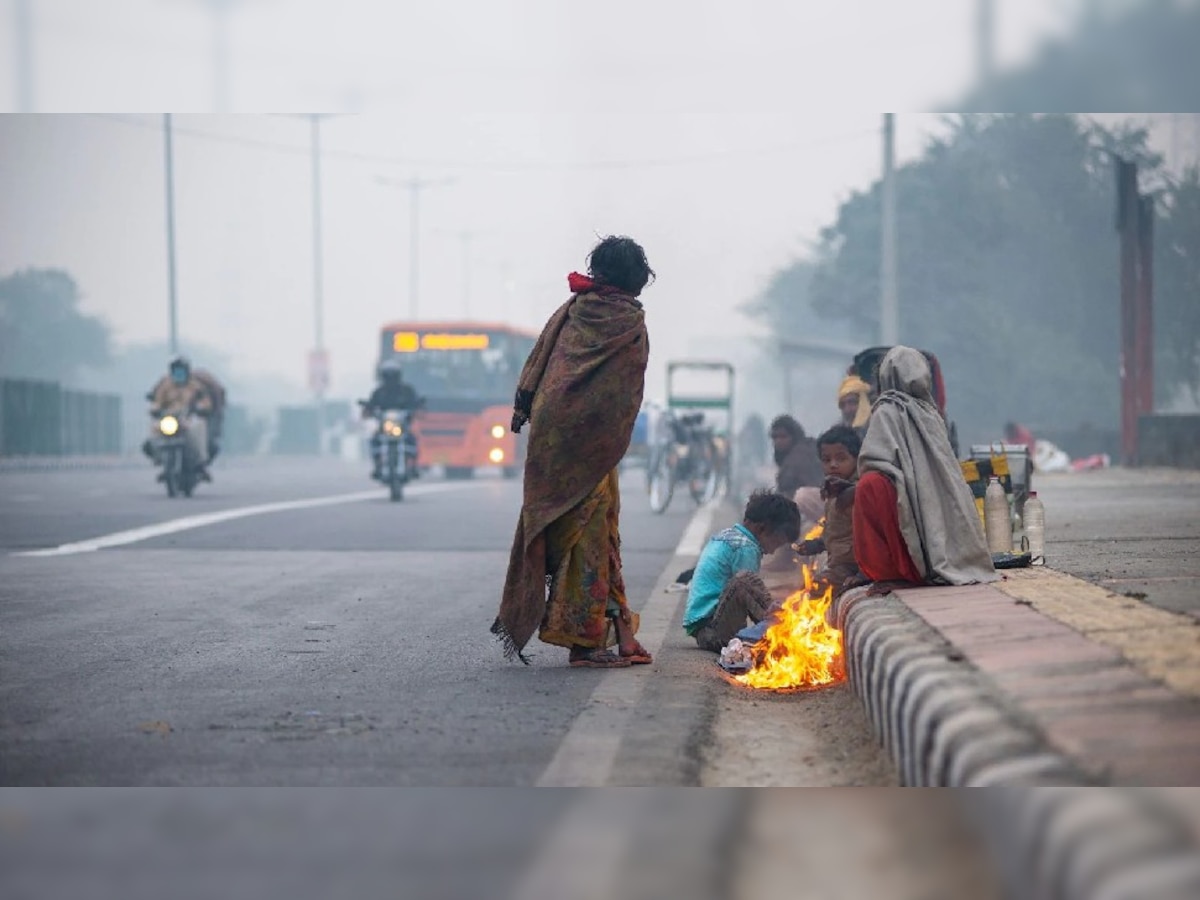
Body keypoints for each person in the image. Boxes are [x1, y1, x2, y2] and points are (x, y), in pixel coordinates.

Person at [492, 235, 655, 668]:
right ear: (636, 279)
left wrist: (527, 408)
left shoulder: (573, 312)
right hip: (593, 443)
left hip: (551, 437)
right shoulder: (628, 322)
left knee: (597, 533)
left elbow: (540, 365)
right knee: (591, 536)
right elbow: (622, 395)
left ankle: (622, 636)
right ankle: (585, 644)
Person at [853, 346, 996, 586]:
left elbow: (873, 462)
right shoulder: (931, 413)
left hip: (903, 503)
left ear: (886, 375)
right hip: (929, 508)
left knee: (870, 486)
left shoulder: (886, 409)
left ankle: (894, 572)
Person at [683, 490, 802, 652]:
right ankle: (781, 632)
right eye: (777, 542)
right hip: (714, 632)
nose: (774, 551)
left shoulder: (728, 535)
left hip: (704, 629)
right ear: (762, 529)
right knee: (745, 581)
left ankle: (776, 628)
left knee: (750, 586)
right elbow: (748, 590)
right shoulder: (746, 547)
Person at [792, 424, 863, 596]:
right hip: (840, 563)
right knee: (805, 591)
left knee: (814, 592)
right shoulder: (833, 491)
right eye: (826, 460)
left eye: (841, 458)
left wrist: (864, 573)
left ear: (857, 458)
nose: (833, 465)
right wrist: (816, 545)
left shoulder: (860, 492)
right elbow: (836, 531)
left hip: (855, 566)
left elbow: (874, 536)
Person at [144, 355, 213, 477]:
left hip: (188, 418)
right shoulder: (165, 385)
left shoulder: (195, 386)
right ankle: (158, 457)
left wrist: (201, 408)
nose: (179, 374)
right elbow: (157, 401)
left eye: (181, 371)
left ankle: (200, 461)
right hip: (169, 418)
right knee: (155, 429)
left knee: (198, 427)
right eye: (176, 371)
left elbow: (204, 400)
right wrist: (155, 409)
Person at [362, 359, 422, 480]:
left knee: (412, 440)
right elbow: (370, 405)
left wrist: (416, 409)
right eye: (388, 375)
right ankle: (378, 466)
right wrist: (368, 411)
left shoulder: (407, 390)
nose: (390, 379)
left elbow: (416, 403)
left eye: (393, 375)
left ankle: (414, 467)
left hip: (402, 425)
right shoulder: (379, 392)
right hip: (384, 426)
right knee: (374, 441)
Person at [192, 367, 226, 460]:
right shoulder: (171, 385)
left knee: (210, 440)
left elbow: (211, 406)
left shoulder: (211, 388)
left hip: (211, 412)